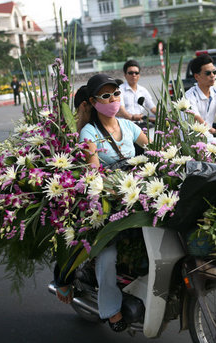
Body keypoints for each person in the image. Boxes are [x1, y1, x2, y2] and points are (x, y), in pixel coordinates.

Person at [54, 74, 148, 332]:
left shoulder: (127, 126)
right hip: (107, 200)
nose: (113, 99)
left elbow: (155, 148)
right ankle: (111, 309)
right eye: (105, 96)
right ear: (94, 102)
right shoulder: (89, 132)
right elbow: (93, 171)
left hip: (138, 194)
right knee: (107, 254)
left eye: (116, 93)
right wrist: (113, 186)